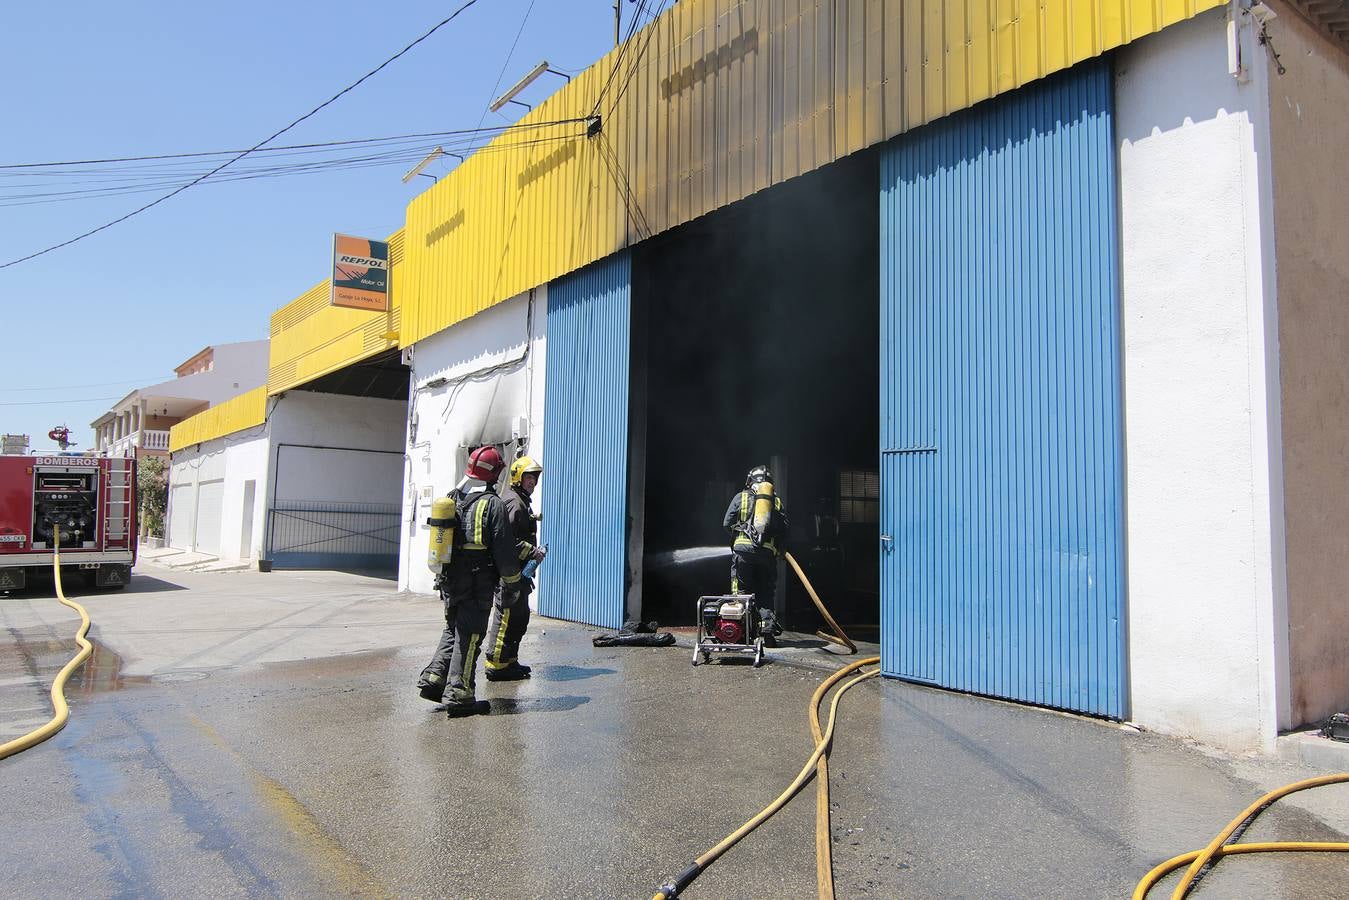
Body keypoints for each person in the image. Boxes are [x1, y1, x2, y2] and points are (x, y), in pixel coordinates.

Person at [416, 445, 524, 718]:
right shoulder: (493, 504)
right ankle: (460, 695)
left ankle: (434, 679)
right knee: (471, 636)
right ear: (494, 474)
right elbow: (503, 551)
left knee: (453, 629)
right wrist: (512, 584)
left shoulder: (452, 498)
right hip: (477, 584)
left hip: (450, 581)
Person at [483, 454, 546, 681]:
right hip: (509, 574)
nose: (533, 482)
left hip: (519, 573)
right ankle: (496, 664)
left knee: (519, 618)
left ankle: (509, 661)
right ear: (518, 477)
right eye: (529, 477)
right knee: (507, 618)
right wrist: (533, 552)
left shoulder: (520, 500)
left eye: (535, 478)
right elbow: (506, 540)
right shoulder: (514, 502)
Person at [723, 465, 789, 641]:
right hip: (767, 554)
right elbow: (784, 529)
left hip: (743, 553)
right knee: (766, 591)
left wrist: (739, 537)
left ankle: (740, 631)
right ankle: (767, 629)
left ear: (749, 481)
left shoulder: (741, 497)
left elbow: (726, 523)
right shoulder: (776, 501)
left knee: (741, 590)